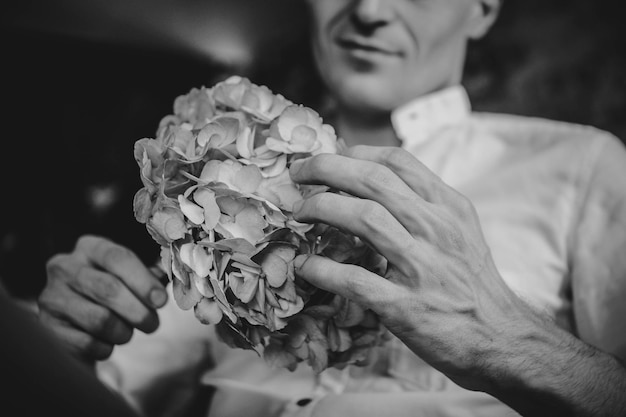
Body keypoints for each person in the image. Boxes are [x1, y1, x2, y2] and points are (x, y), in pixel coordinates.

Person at [37, 0, 626, 416]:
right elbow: (112, 388)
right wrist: (57, 349)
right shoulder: (215, 189)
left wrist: (504, 340)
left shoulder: (580, 165)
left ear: (484, 6)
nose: (370, 9)